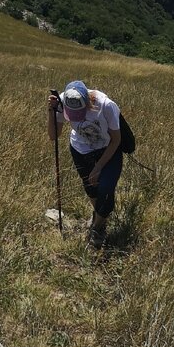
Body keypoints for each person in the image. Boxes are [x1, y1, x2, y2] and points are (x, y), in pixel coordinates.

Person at [47, 79, 123, 248]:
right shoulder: (62, 101)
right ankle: (99, 216)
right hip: (80, 149)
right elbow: (53, 136)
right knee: (90, 188)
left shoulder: (106, 106)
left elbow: (116, 140)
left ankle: (97, 228)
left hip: (108, 149)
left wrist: (99, 166)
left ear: (88, 102)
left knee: (106, 189)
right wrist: (51, 111)